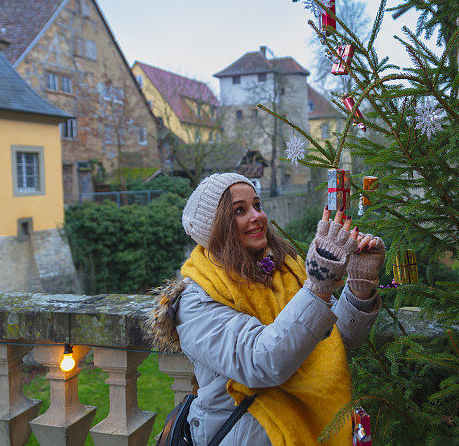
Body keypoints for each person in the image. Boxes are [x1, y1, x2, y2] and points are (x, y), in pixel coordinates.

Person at [154, 172, 384, 445]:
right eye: (240, 210)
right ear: (214, 226)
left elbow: (338, 337)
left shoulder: (285, 271)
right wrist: (318, 286)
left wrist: (360, 282)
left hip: (312, 427)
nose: (257, 216)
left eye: (257, 205)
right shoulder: (195, 300)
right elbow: (262, 363)